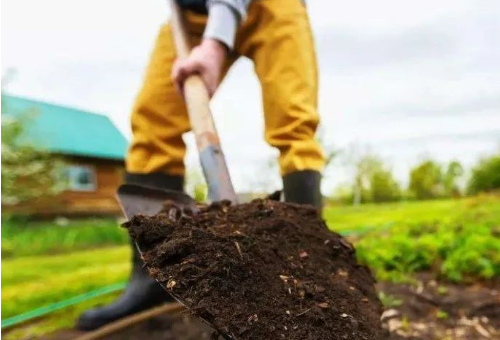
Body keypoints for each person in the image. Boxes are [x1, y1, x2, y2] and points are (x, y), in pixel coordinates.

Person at [77, 0, 325, 330]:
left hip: (273, 7)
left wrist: (216, 42)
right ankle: (154, 276)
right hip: (191, 16)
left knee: (293, 120)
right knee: (153, 123)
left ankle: (306, 270)